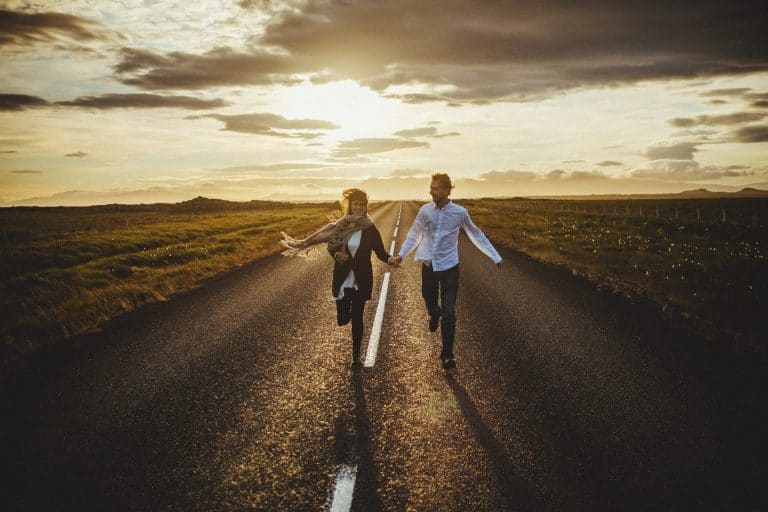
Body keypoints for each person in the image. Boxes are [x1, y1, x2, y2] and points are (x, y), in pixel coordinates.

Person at [391, 173, 502, 369]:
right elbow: (414, 235)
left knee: (450, 312)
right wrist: (402, 255)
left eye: (434, 188)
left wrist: (494, 256)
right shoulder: (425, 211)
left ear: (446, 190)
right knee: (429, 298)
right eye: (431, 188)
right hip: (429, 266)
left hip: (450, 267)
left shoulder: (460, 212)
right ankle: (434, 312)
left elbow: (476, 234)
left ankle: (447, 354)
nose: (430, 191)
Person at [281, 188, 393, 366]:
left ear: (366, 207)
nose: (358, 207)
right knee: (343, 318)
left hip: (361, 278)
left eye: (362, 204)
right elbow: (331, 245)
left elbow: (380, 252)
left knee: (358, 317)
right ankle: (343, 315)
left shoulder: (370, 228)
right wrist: (337, 255)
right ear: (350, 206)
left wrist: (390, 259)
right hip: (343, 276)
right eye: (355, 204)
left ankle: (356, 356)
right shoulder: (342, 225)